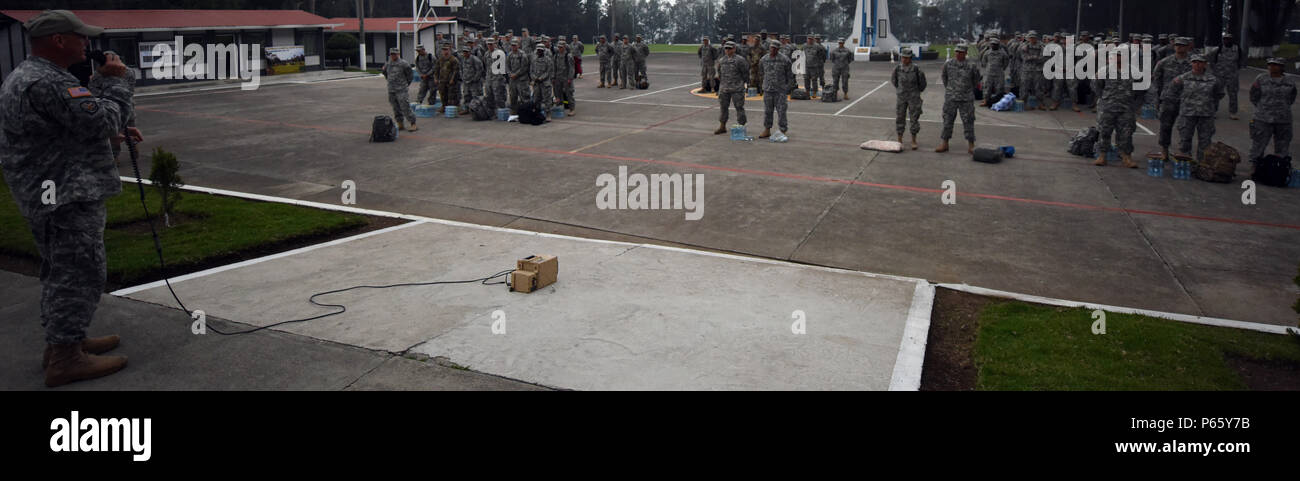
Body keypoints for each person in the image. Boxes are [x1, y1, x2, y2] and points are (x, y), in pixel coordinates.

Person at [1, 10, 139, 387]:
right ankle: (65, 357)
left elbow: (76, 123)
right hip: (64, 194)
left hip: (53, 190)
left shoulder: (35, 77)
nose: (87, 43)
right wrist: (114, 84)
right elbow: (100, 120)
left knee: (61, 269)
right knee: (79, 271)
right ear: (59, 40)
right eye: (81, 37)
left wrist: (106, 116)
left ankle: (66, 340)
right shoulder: (46, 82)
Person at [1164, 54, 1224, 161]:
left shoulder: (1213, 80)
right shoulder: (1182, 78)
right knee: (1185, 140)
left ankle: (1202, 165)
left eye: (1200, 62)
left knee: (1205, 142)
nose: (1197, 64)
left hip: (1206, 115)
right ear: (1191, 63)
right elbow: (1172, 92)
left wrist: (1210, 106)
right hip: (1187, 114)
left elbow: (1219, 94)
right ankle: (1185, 164)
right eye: (1195, 62)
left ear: (1205, 64)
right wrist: (1182, 104)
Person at [1092, 52, 1140, 168]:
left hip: (1126, 108)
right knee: (1104, 132)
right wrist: (1104, 98)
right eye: (1115, 56)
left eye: (1120, 55)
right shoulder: (1104, 71)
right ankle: (1102, 156)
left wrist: (1136, 104)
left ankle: (1126, 157)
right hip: (1108, 107)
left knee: (1126, 133)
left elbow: (1141, 89)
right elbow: (1096, 85)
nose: (1118, 58)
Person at [1152, 37, 1193, 160]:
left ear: (1187, 47)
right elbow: (1157, 80)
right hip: (1168, 99)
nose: (1179, 47)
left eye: (1182, 45)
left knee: (1186, 127)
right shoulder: (1164, 62)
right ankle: (1164, 150)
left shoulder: (1193, 63)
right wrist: (1158, 98)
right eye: (1177, 45)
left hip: (1187, 100)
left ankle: (1184, 152)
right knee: (1165, 126)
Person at [1248, 58, 1296, 160]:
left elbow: (1292, 97)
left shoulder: (1290, 80)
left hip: (1283, 119)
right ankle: (1255, 167)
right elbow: (1253, 96)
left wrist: (1282, 107)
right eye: (1270, 64)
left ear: (1282, 67)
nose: (1272, 67)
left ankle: (1279, 168)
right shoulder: (1261, 79)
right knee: (1258, 145)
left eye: (1275, 65)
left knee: (1282, 146)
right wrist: (1263, 108)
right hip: (1263, 118)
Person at [937, 44, 980, 154]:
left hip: (966, 99)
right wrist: (951, 89)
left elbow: (976, 80)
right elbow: (944, 78)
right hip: (951, 98)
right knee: (947, 121)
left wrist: (967, 90)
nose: (958, 54)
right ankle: (945, 143)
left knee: (969, 121)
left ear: (965, 53)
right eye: (956, 51)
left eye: (960, 52)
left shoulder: (971, 66)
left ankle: (971, 145)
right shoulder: (949, 64)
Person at [892, 48, 926, 150]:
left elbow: (923, 84)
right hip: (902, 97)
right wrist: (901, 90)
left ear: (910, 58)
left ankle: (913, 140)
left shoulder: (916, 69)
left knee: (914, 118)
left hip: (913, 97)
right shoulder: (898, 68)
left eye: (906, 58)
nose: (904, 59)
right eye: (903, 57)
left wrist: (915, 92)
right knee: (900, 117)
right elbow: (894, 80)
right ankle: (899, 138)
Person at [714, 40, 750, 135]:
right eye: (726, 48)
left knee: (739, 108)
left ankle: (741, 127)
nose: (727, 50)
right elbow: (719, 74)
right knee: (723, 108)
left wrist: (745, 84)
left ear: (734, 49)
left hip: (737, 89)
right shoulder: (722, 61)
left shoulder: (740, 60)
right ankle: (722, 126)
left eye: (730, 48)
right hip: (724, 89)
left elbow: (745, 73)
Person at [759, 40, 792, 139]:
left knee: (781, 111)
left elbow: (790, 75)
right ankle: (767, 129)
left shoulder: (785, 60)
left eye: (775, 48)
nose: (772, 49)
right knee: (767, 111)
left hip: (780, 90)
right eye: (771, 47)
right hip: (768, 89)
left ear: (778, 49)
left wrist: (786, 88)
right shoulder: (764, 59)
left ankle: (783, 130)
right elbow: (761, 72)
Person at [1209, 33, 1244, 120]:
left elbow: (1241, 60)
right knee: (1216, 93)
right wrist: (1214, 69)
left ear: (1232, 40)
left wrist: (1237, 69)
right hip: (1219, 76)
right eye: (1225, 39)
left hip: (1232, 76)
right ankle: (1213, 111)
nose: (1226, 40)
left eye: (1228, 39)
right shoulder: (1218, 49)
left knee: (1233, 94)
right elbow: (1210, 58)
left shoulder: (1237, 49)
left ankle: (1233, 112)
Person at [381, 47, 417, 131]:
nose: (393, 56)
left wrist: (405, 84)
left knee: (405, 106)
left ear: (398, 54)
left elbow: (410, 76)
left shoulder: (404, 64)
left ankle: (413, 123)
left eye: (395, 54)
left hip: (401, 89)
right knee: (395, 107)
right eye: (392, 54)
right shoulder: (388, 63)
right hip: (391, 89)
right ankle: (400, 123)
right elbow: (385, 73)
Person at [1018, 31, 1045, 109]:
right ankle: (1023, 103)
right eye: (1031, 37)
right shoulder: (1024, 46)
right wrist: (1035, 57)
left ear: (1036, 38)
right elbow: (1024, 58)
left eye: (1034, 37)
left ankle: (1041, 103)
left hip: (1037, 70)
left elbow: (1042, 58)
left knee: (1039, 87)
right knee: (1024, 87)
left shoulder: (1041, 46)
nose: (1032, 39)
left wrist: (1031, 57)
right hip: (1026, 70)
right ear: (1028, 38)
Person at [979, 37, 1008, 107]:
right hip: (989, 73)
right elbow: (984, 61)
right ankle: (985, 100)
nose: (993, 45)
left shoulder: (1002, 53)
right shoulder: (987, 52)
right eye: (992, 44)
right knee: (987, 87)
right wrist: (988, 68)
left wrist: (1002, 68)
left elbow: (1006, 62)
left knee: (1000, 88)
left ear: (998, 45)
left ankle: (998, 102)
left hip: (999, 73)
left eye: (995, 44)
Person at [458, 45, 484, 115]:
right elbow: (461, 69)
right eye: (464, 52)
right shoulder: (463, 59)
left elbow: (480, 70)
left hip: (474, 82)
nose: (465, 53)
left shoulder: (475, 59)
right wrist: (462, 77)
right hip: (466, 82)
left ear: (470, 52)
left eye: (466, 52)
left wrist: (474, 79)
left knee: (475, 97)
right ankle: (467, 109)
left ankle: (477, 110)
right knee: (466, 96)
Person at [434, 44, 460, 114]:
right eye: (444, 50)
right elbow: (436, 69)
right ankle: (444, 106)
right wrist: (436, 78)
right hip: (442, 80)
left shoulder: (453, 59)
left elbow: (456, 70)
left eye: (446, 50)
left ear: (450, 50)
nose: (445, 51)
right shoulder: (441, 59)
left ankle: (452, 107)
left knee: (451, 94)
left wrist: (452, 79)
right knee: (442, 94)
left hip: (450, 80)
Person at [506, 39, 530, 114]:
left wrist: (515, 74)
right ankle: (514, 112)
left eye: (515, 45)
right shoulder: (510, 55)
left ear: (518, 46)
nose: (513, 47)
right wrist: (510, 74)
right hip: (512, 80)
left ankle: (526, 111)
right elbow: (507, 66)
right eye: (512, 45)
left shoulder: (523, 55)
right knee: (513, 96)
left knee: (524, 96)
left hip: (521, 80)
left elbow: (524, 67)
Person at [484, 40, 508, 111]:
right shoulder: (486, 54)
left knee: (498, 95)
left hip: (497, 77)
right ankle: (492, 110)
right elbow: (486, 65)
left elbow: (504, 67)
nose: (489, 46)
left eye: (491, 44)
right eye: (488, 44)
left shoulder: (499, 53)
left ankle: (501, 110)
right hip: (489, 77)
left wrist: (500, 77)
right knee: (489, 95)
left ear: (494, 44)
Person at [530, 44, 554, 115]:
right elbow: (531, 71)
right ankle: (537, 113)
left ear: (543, 51)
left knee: (547, 99)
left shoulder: (548, 60)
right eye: (538, 50)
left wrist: (541, 78)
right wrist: (534, 78)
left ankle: (548, 114)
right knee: (536, 99)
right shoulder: (534, 59)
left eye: (541, 50)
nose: (539, 51)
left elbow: (549, 71)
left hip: (545, 83)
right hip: (536, 83)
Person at [553, 41, 576, 116]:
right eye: (559, 47)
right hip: (558, 77)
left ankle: (572, 109)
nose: (559, 48)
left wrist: (570, 78)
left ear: (564, 47)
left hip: (566, 78)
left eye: (561, 47)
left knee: (568, 94)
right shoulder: (556, 56)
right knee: (557, 93)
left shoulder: (568, 56)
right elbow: (554, 67)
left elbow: (572, 68)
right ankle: (559, 106)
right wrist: (553, 77)